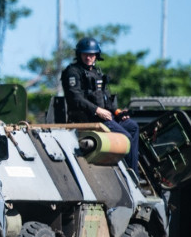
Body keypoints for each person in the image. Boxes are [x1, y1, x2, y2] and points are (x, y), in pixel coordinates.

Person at [60, 37, 140, 174]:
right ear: (79, 54)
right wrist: (97, 110)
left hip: (103, 117)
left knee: (132, 127)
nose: (88, 57)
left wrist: (118, 112)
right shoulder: (73, 72)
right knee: (124, 136)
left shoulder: (96, 73)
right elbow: (75, 98)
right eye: (85, 54)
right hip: (88, 119)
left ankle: (134, 171)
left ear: (97, 55)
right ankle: (129, 175)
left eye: (91, 54)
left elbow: (106, 99)